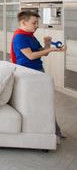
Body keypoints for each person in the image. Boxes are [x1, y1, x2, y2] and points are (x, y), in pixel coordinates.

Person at [10, 10, 66, 140]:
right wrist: (51, 48)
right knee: (42, 102)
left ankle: (54, 132)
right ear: (23, 22)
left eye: (37, 22)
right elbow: (30, 56)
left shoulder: (30, 35)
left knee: (46, 102)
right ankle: (50, 133)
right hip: (28, 74)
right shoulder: (20, 37)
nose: (37, 25)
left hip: (37, 72)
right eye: (34, 23)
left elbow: (42, 52)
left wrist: (47, 45)